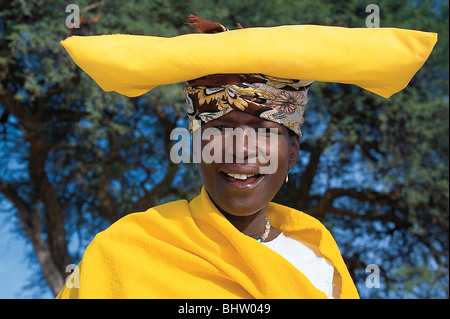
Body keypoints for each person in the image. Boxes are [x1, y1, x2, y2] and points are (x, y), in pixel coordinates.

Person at [57, 15, 436, 299]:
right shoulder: (125, 251)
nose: (240, 148)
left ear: (292, 155)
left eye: (264, 131)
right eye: (220, 129)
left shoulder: (319, 263)